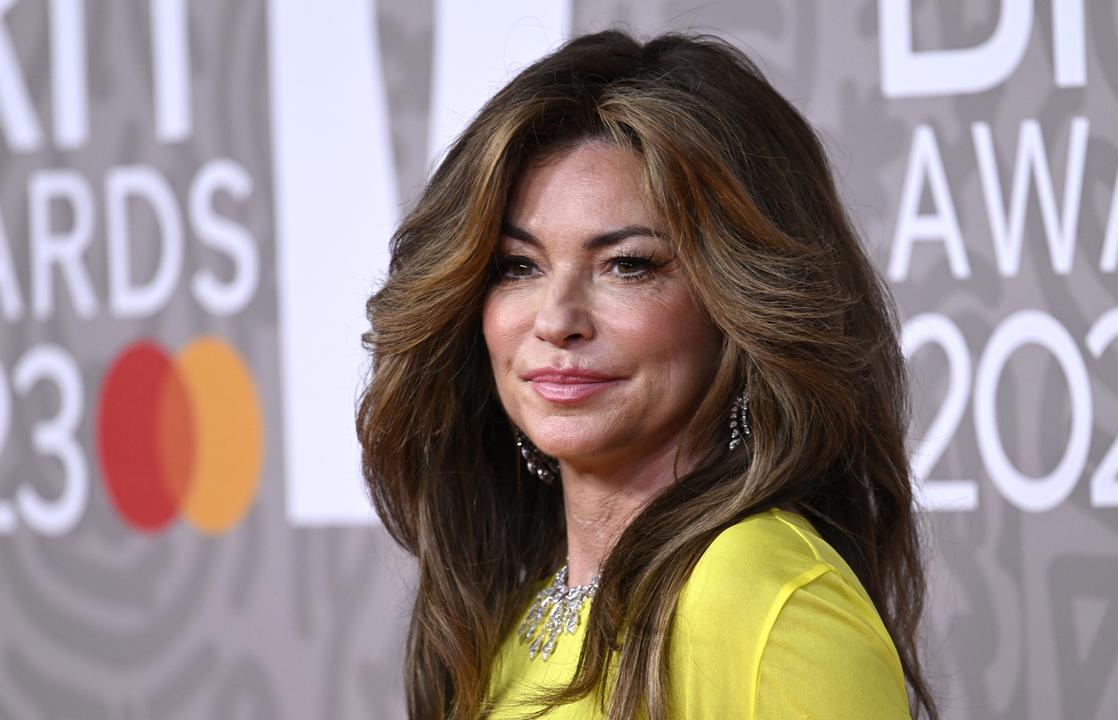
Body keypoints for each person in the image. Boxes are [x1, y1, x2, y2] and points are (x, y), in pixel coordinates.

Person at [357, 28, 937, 720]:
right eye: (518, 266)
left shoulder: (770, 608)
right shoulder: (512, 626)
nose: (557, 318)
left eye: (628, 264)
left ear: (737, 305)